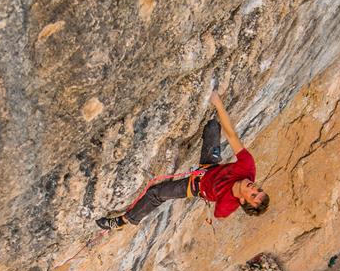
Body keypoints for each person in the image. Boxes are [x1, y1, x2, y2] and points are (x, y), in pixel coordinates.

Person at [96, 90, 269, 229]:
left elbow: (219, 215)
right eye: (259, 189)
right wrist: (218, 103)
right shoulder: (247, 166)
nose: (254, 187)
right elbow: (231, 134)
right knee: (213, 127)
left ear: (242, 201)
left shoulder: (226, 206)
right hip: (210, 166)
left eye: (253, 194)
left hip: (195, 186)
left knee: (156, 193)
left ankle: (124, 221)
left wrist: (210, 210)